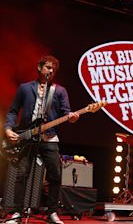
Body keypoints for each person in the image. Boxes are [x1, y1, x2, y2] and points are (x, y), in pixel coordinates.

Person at [4, 55, 79, 224]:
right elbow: (13, 111)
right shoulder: (25, 88)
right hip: (27, 138)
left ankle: (52, 212)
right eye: (47, 67)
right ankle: (16, 213)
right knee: (22, 174)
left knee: (55, 176)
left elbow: (66, 112)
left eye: (53, 69)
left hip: (50, 137)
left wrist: (72, 117)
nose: (50, 71)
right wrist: (8, 129)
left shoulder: (59, 91)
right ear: (39, 68)